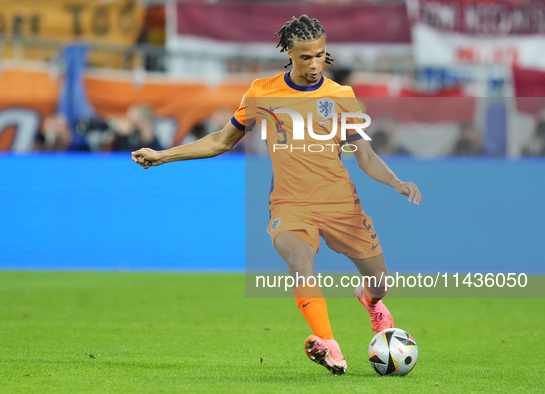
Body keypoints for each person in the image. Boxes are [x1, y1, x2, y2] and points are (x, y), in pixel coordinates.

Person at [131, 15, 421, 376]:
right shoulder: (262, 93)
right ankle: (329, 345)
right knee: (300, 263)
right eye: (305, 57)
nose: (314, 64)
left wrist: (396, 182)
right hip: (290, 205)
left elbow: (364, 154)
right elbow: (221, 141)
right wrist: (162, 155)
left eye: (320, 55)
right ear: (288, 53)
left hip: (340, 205)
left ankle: (371, 302)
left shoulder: (341, 97)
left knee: (379, 281)